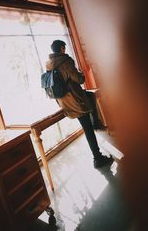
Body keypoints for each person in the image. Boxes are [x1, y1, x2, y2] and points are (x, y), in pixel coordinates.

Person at [45, 40, 114, 168]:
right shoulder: (66, 61)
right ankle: (97, 158)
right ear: (61, 48)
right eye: (64, 48)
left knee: (91, 95)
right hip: (76, 100)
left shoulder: (49, 64)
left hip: (64, 101)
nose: (64, 50)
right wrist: (81, 73)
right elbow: (80, 79)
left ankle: (96, 122)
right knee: (88, 129)